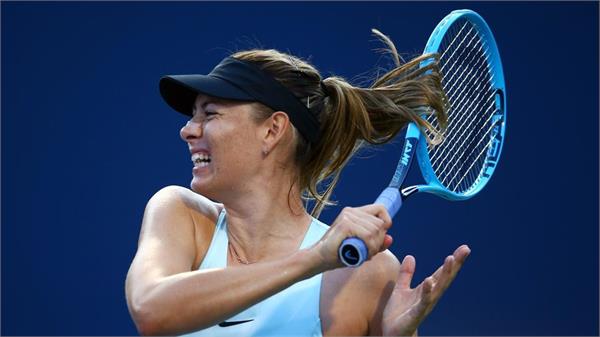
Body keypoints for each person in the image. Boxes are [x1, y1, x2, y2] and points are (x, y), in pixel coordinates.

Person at [125, 30, 471, 336]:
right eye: (192, 116)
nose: (187, 130)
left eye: (210, 113)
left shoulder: (364, 274)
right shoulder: (179, 213)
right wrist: (314, 259)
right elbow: (150, 309)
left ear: (272, 130)